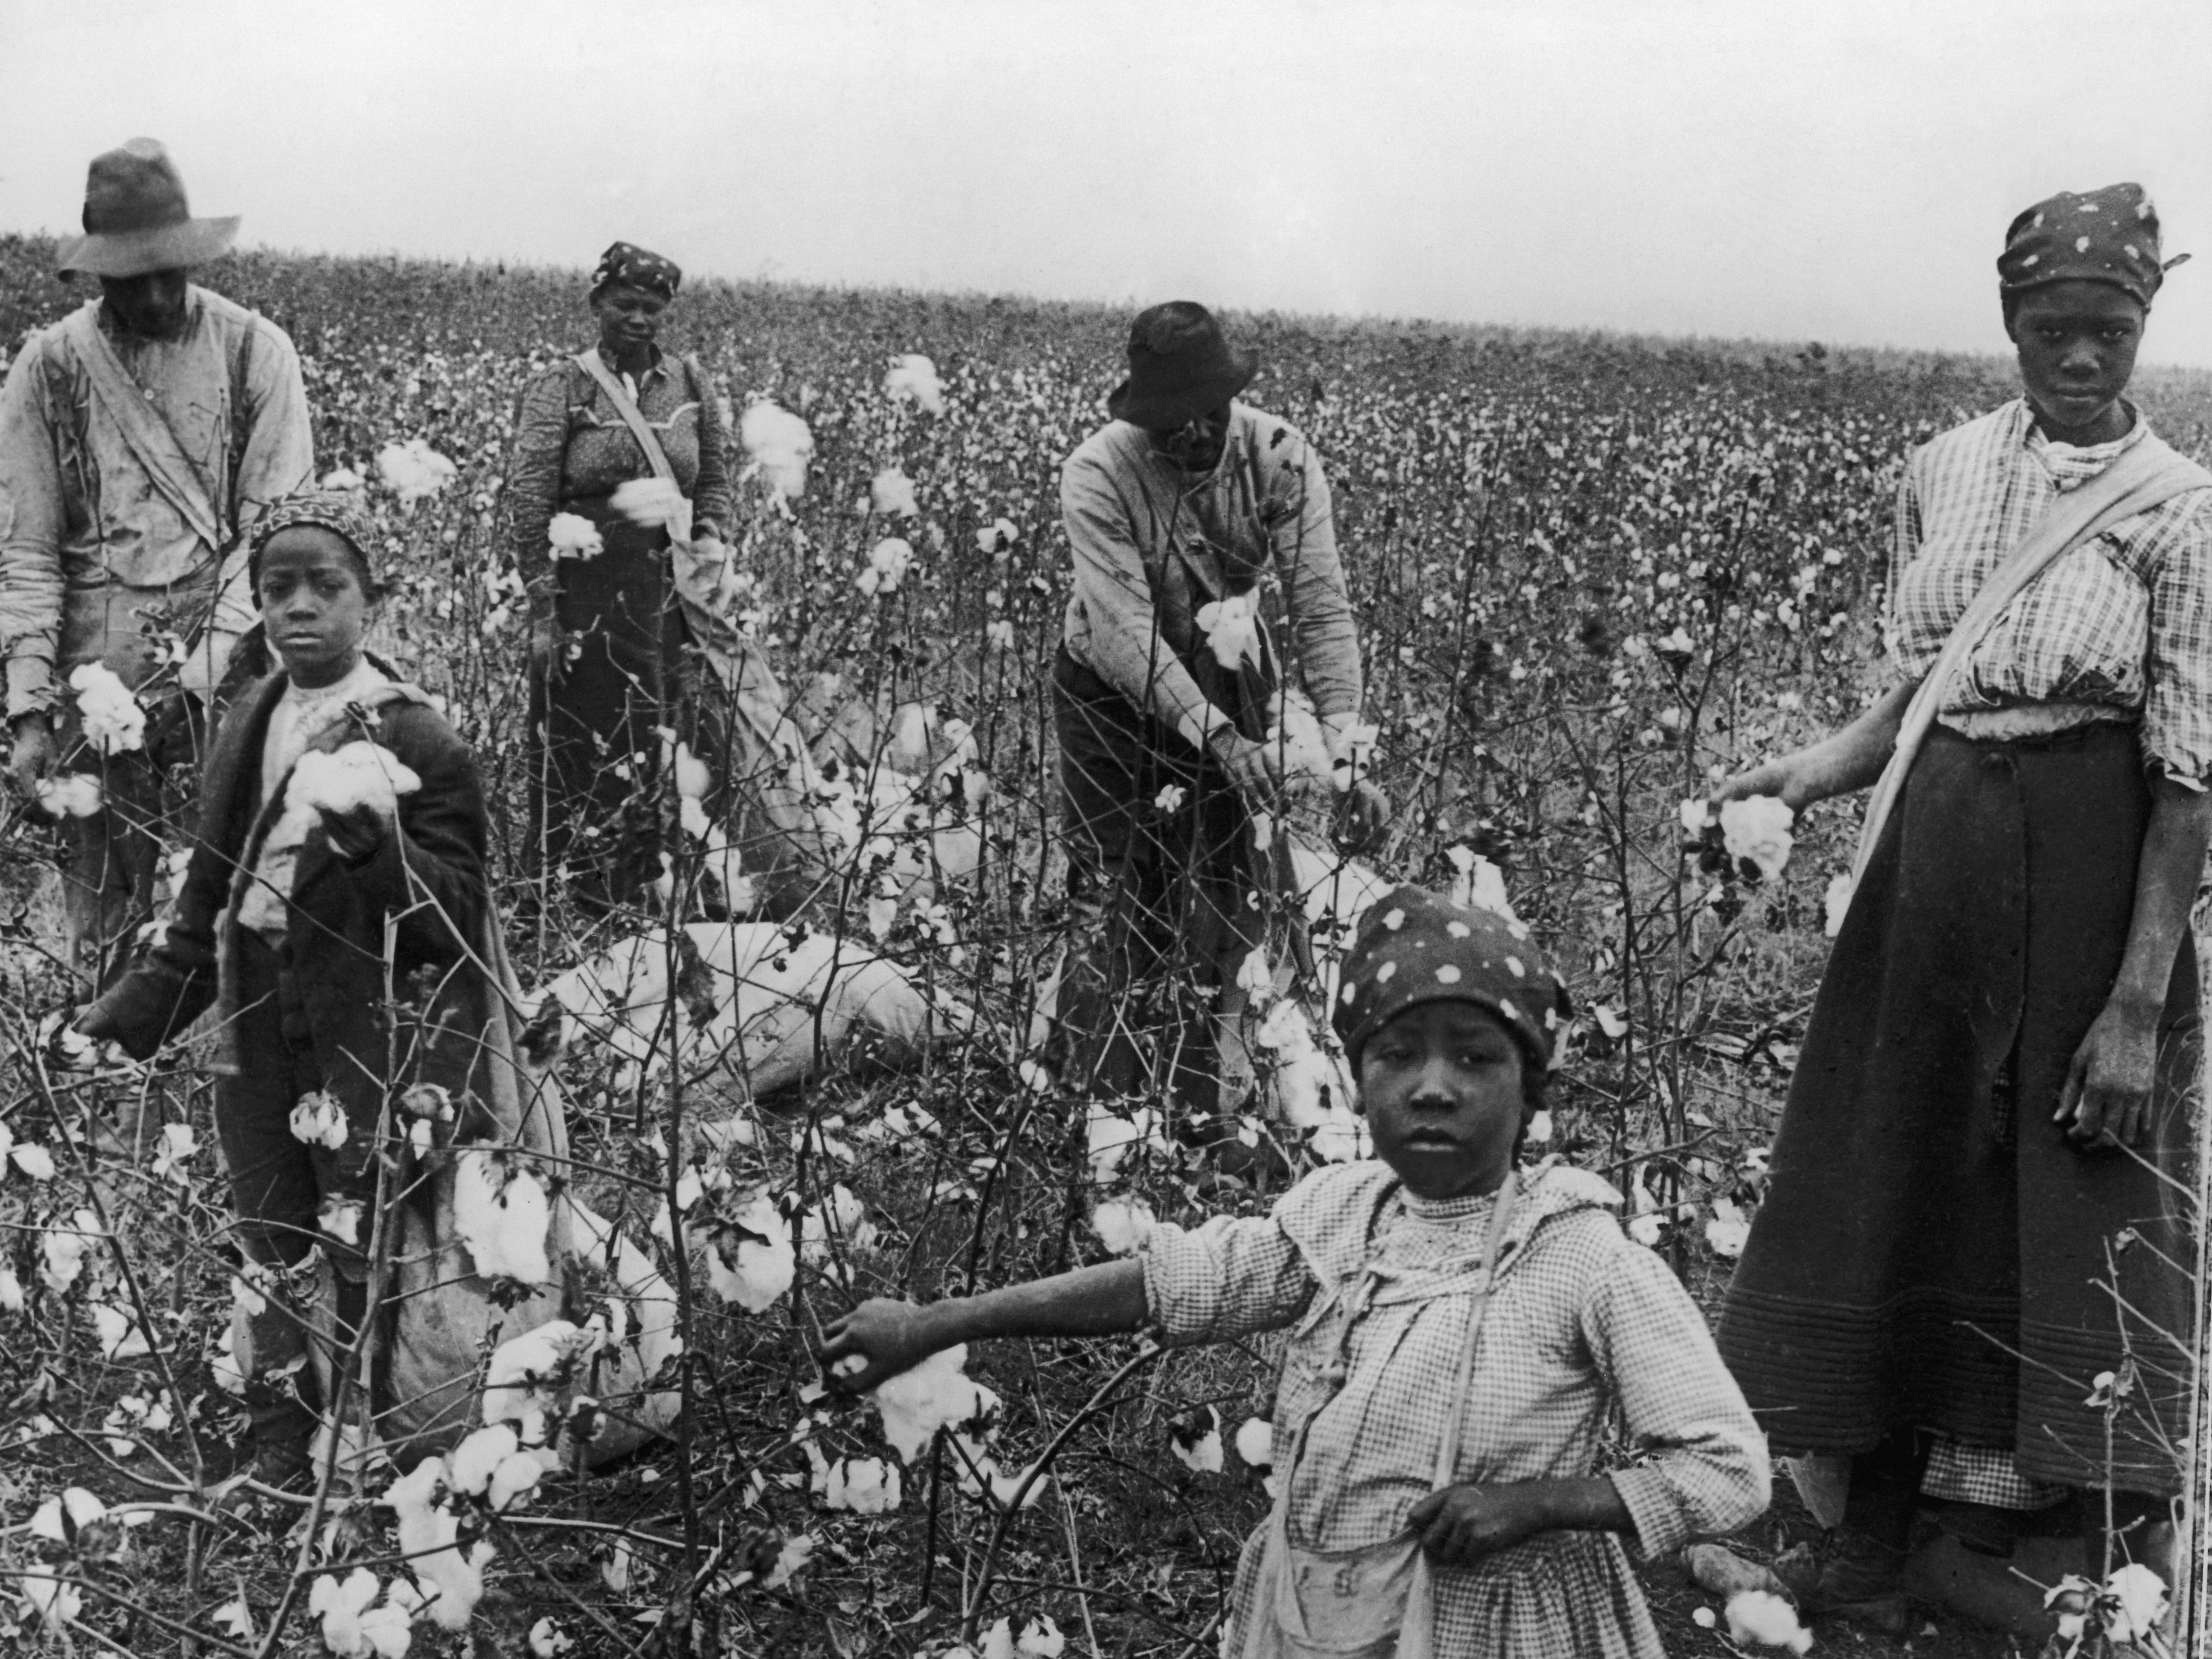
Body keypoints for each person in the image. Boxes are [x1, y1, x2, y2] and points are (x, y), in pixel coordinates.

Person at [823, 886, 1769, 1658]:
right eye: (1396, 1055)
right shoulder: (1340, 1215)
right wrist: (938, 1322)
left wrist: (1540, 1505)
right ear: (1358, 1078)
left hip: (1495, 1631)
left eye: (1475, 1058)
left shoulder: (1577, 1256)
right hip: (1313, 1606)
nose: (1431, 1085)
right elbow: (1169, 1282)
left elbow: (1726, 1470)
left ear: (1532, 1088)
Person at [1710, 184, 2211, 1627]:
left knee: (2063, 1183)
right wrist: (1805, 775)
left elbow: (2191, 780)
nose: (2080, 359)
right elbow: (1915, 698)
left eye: (2108, 332)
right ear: (2009, 324)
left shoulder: (2180, 514)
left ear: (2144, 329)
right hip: (1932, 867)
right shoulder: (1939, 471)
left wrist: (2135, 1003)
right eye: (2053, 330)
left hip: (2091, 875)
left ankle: (2057, 1545)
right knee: (1900, 1167)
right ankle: (1870, 1524)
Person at [73, 490, 523, 1483]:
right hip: (257, 1016)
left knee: (358, 1218)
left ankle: (359, 1418)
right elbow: (209, 892)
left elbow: (456, 918)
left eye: (327, 588)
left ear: (374, 601)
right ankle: (279, 1423)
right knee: (267, 1213)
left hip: (368, 1024)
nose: (300, 610)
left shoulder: (418, 741)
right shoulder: (250, 719)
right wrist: (136, 1010)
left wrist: (381, 854)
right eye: (278, 590)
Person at [1052, 301, 1386, 1112]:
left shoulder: (1277, 457)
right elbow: (1128, 635)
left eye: (1210, 415)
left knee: (1226, 892)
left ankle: (1201, 1092)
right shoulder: (1099, 473)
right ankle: (1089, 1100)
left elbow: (1321, 608)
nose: (1194, 435)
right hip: (1108, 696)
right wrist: (1224, 743)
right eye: (1172, 423)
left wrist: (1346, 754)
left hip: (1229, 678)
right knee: (1116, 887)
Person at [0, 137, 314, 988]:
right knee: (105, 890)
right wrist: (30, 704)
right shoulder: (50, 367)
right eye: (130, 277)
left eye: (170, 269)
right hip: (94, 662)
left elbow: (274, 536)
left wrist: (209, 663)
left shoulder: (257, 353)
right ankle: (106, 1078)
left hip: (232, 643)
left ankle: (231, 1082)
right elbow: (27, 551)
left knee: (237, 876)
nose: (157, 293)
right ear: (96, 272)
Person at [508, 240, 785, 919]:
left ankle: (672, 885)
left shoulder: (689, 383)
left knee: (680, 731)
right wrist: (544, 611)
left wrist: (713, 541)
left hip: (673, 592)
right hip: (589, 590)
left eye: (653, 309)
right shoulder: (562, 385)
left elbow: (714, 479)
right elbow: (529, 499)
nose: (639, 319)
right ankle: (583, 896)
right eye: (626, 305)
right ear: (598, 303)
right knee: (590, 737)